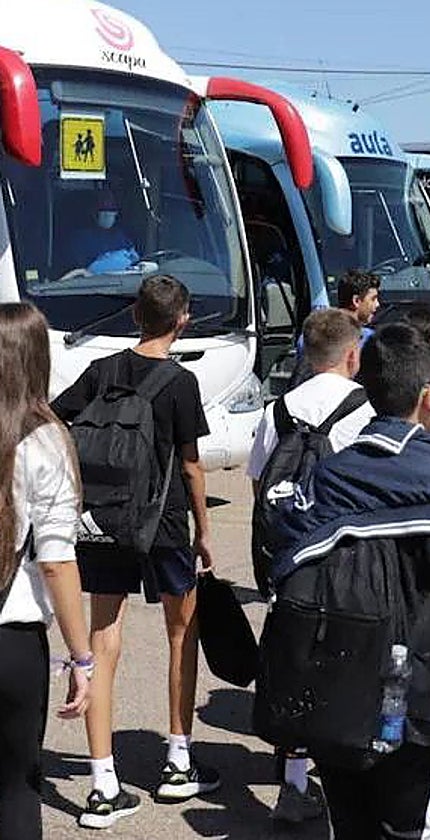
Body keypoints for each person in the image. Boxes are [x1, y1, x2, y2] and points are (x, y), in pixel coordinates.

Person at [271, 323, 430, 838]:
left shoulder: (330, 473)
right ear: (428, 396)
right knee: (414, 830)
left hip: (332, 689)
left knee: (351, 828)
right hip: (416, 699)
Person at [52, 275, 217, 829]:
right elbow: (191, 463)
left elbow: (56, 416)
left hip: (106, 518)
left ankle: (102, 783)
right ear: (183, 320)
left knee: (103, 639)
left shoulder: (102, 370)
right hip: (165, 519)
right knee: (180, 631)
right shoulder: (180, 382)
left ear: (134, 315)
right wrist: (204, 528)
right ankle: (177, 760)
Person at [245, 307, 375, 825]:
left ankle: (293, 785)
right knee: (349, 665)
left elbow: (259, 482)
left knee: (297, 667)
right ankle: (347, 776)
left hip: (290, 558)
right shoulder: (365, 411)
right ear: (352, 354)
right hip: (345, 558)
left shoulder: (277, 410)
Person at [0, 303, 92, 840]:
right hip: (13, 638)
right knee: (15, 788)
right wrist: (82, 657)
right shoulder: (44, 441)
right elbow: (56, 561)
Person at [290, 270, 382, 386]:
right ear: (356, 301)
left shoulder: (309, 335)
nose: (377, 304)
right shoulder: (369, 340)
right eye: (373, 299)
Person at [64, 190, 139, 276]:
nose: (108, 213)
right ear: (93, 211)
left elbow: (135, 259)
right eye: (103, 209)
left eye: (112, 209)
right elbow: (80, 268)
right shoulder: (80, 238)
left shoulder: (120, 235)